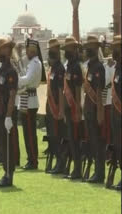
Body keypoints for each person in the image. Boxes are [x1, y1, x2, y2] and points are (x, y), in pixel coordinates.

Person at [0, 36, 18, 188]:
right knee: (2, 144)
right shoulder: (1, 69)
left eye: (5, 48)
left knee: (8, 145)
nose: (3, 51)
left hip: (5, 113)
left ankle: (9, 175)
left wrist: (8, 116)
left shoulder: (10, 70)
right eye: (2, 48)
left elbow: (12, 94)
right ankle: (5, 172)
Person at [18, 39, 45, 170]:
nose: (26, 52)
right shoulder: (32, 63)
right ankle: (31, 159)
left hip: (30, 100)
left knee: (29, 133)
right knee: (27, 133)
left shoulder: (34, 63)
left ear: (32, 50)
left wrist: (16, 78)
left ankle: (33, 160)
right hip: (27, 99)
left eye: (27, 50)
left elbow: (27, 79)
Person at [83, 35, 106, 184]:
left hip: (95, 108)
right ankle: (96, 172)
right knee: (92, 141)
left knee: (98, 143)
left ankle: (99, 173)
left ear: (97, 48)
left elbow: (98, 91)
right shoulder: (89, 66)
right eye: (87, 47)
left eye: (91, 47)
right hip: (88, 108)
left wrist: (99, 112)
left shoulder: (99, 67)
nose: (88, 50)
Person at [61, 37, 83, 179]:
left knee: (76, 138)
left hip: (74, 107)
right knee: (71, 138)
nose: (66, 52)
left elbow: (77, 89)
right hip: (68, 107)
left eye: (68, 49)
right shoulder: (68, 66)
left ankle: (78, 170)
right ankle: (75, 168)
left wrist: (77, 109)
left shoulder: (76, 67)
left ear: (74, 50)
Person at [44, 39, 66, 174]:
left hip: (57, 107)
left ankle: (61, 163)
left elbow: (60, 90)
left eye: (53, 51)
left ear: (58, 51)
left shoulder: (60, 68)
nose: (51, 53)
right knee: (52, 136)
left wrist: (61, 110)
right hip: (50, 107)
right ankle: (58, 162)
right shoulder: (52, 68)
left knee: (58, 136)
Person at [110, 35, 121, 190]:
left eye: (116, 48)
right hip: (116, 114)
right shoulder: (117, 68)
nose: (113, 51)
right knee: (118, 146)